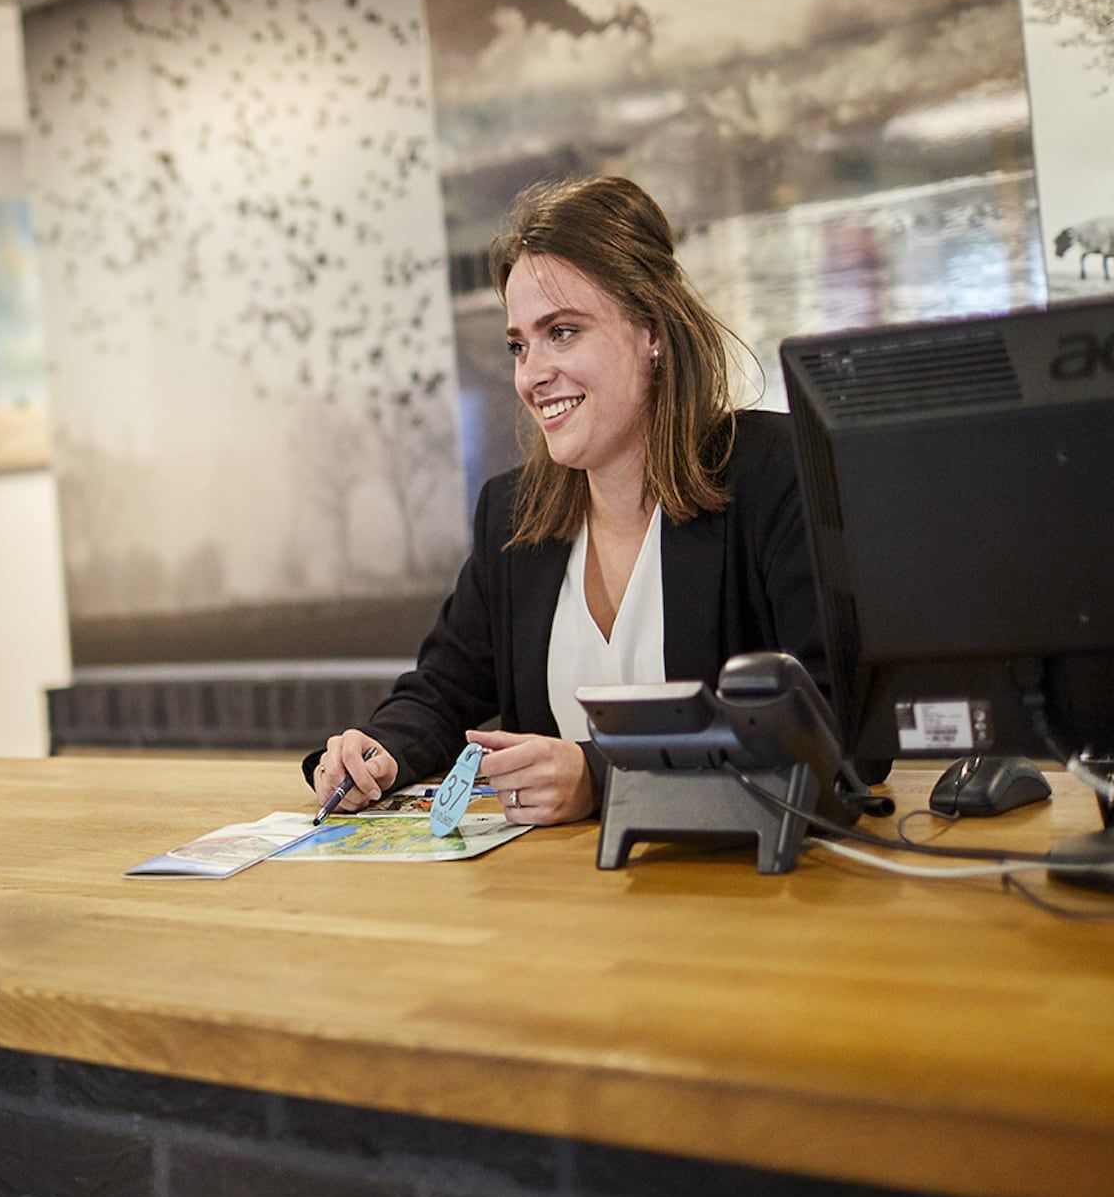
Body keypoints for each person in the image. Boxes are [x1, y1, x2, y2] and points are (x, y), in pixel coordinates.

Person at [307, 175, 829, 826]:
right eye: (519, 345)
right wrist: (377, 750)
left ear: (651, 330)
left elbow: (831, 736)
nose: (531, 374)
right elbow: (441, 691)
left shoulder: (776, 475)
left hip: (737, 885)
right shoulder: (512, 514)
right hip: (561, 887)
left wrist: (603, 779)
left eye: (562, 332)